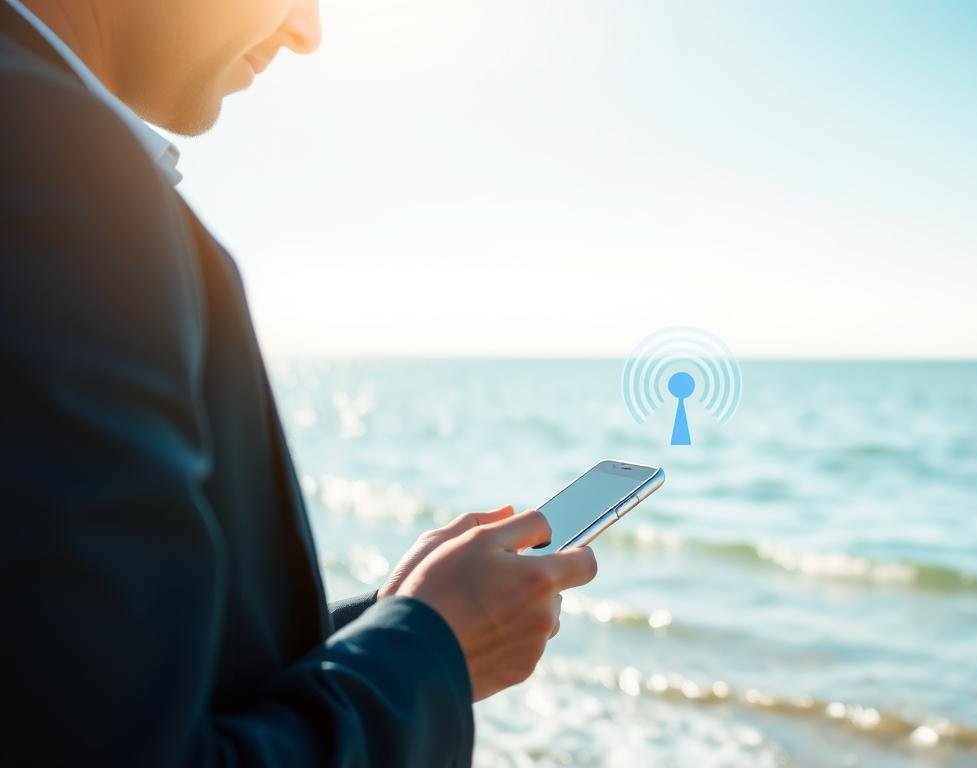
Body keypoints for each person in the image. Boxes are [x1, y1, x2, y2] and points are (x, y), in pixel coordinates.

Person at [0, 0, 597, 764]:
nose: (307, 33)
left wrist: (393, 623)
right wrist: (432, 651)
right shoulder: (60, 170)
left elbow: (84, 683)